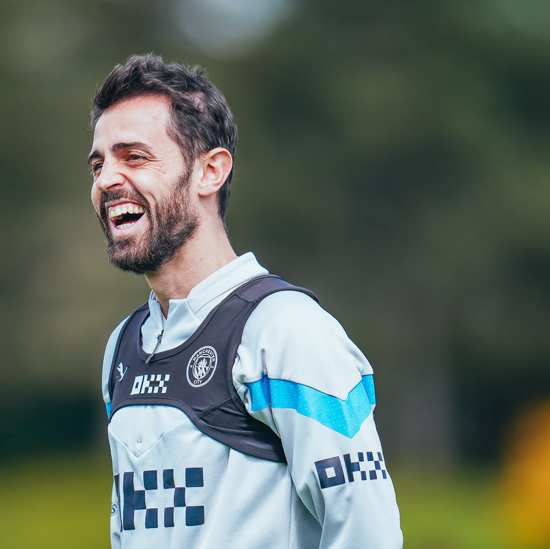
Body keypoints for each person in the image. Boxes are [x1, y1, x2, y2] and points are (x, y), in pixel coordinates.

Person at [88, 54, 402, 548]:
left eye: (135, 157)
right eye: (99, 162)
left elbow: (368, 533)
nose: (106, 179)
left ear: (209, 172)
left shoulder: (287, 330)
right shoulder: (122, 347)